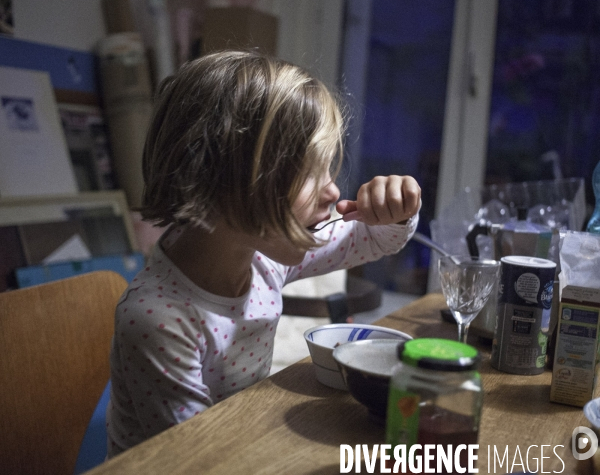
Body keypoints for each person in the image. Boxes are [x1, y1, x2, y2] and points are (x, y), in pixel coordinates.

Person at [106, 49, 421, 457]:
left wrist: (394, 213)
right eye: (311, 172)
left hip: (243, 442)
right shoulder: (160, 320)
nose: (334, 191)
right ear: (230, 179)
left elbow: (373, 240)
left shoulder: (262, 256)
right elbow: (195, 457)